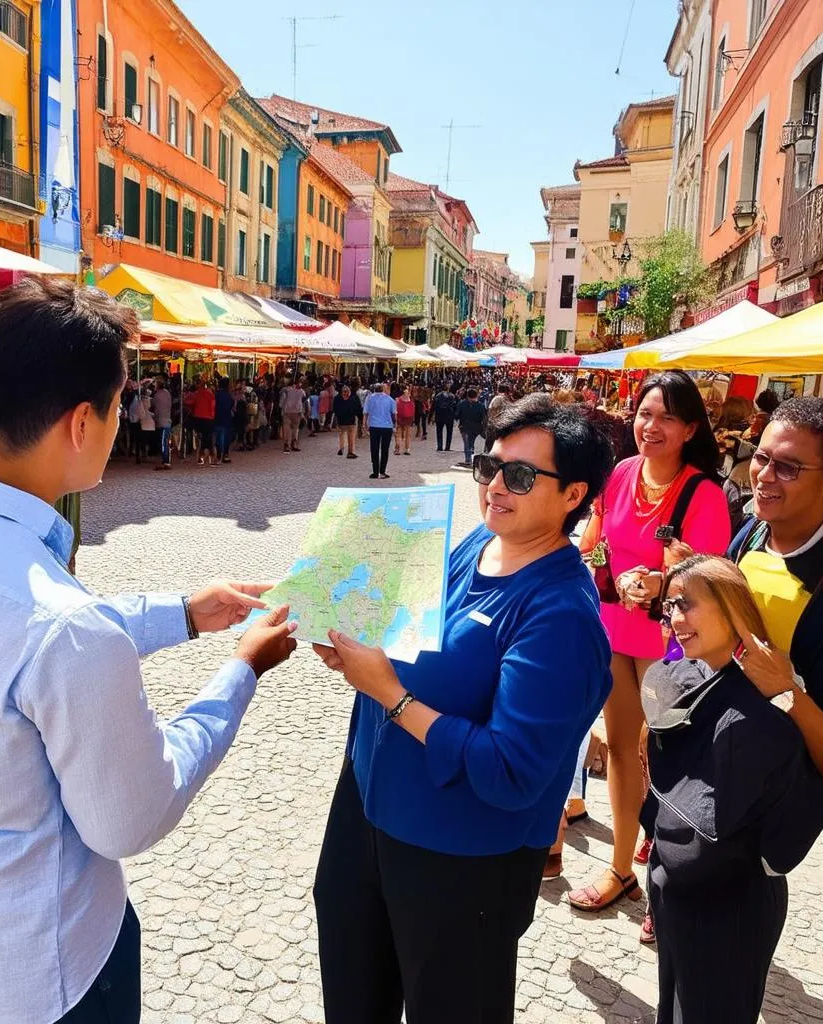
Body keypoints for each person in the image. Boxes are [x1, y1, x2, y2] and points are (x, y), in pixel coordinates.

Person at [0, 277, 299, 1024]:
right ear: (83, 421)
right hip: (45, 981)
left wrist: (178, 613)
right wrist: (241, 670)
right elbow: (130, 817)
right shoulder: (63, 626)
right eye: (120, 407)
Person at [311, 395, 615, 1024]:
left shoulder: (561, 613)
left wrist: (390, 694)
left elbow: (510, 772)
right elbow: (408, 640)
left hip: (460, 861)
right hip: (368, 813)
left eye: (522, 476)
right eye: (488, 466)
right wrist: (349, 637)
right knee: (353, 995)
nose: (496, 486)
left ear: (573, 494)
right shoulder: (476, 545)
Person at [642, 555, 823, 1024]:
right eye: (669, 606)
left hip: (727, 911)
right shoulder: (690, 674)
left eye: (686, 604)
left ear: (731, 608)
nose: (674, 618)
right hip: (674, 887)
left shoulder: (770, 715)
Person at [569, 370, 731, 914]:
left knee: (669, 761)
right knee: (619, 748)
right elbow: (599, 547)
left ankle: (669, 879)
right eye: (644, 413)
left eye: (666, 417)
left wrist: (668, 580)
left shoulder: (704, 493)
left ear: (689, 428)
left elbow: (712, 580)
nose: (650, 425)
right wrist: (599, 568)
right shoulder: (619, 475)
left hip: (673, 644)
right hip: (616, 629)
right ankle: (621, 868)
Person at [727, 396, 823, 794]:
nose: (764, 476)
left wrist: (786, 690)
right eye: (761, 457)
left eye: (788, 467)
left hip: (775, 800)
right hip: (709, 760)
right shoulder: (749, 535)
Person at [363, 383, 396, 480]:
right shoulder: (390, 399)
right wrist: (394, 426)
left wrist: (364, 425)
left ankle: (375, 472)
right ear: (383, 390)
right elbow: (394, 414)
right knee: (385, 450)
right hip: (387, 426)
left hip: (374, 426)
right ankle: (382, 472)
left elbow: (365, 413)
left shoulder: (369, 398)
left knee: (374, 449)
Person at [456, 387, 486, 467]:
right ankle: (470, 456)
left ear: (467, 396)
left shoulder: (461, 404)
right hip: (476, 427)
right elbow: (484, 417)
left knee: (467, 443)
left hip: (464, 426)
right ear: (476, 396)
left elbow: (456, 415)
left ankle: (468, 459)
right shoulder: (481, 406)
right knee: (471, 442)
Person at [192, 378, 216, 466]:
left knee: (200, 439)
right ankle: (212, 459)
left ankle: (200, 458)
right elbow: (213, 406)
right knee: (209, 440)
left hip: (198, 418)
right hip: (208, 419)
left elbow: (191, 402)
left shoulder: (197, 393)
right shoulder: (210, 394)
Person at [333, 384, 360, 459]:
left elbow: (335, 409)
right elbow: (357, 409)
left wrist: (338, 416)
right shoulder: (353, 399)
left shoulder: (337, 399)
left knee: (341, 434)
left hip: (341, 420)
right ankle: (350, 452)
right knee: (351, 437)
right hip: (350, 421)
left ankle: (341, 448)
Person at [151, 376, 173, 470]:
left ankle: (165, 461)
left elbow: (153, 405)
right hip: (166, 420)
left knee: (163, 442)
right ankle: (164, 460)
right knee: (164, 442)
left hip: (162, 421)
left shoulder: (157, 395)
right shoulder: (167, 393)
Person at [280, 377, 304, 453]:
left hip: (288, 411)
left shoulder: (286, 390)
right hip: (296, 411)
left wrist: (282, 409)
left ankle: (287, 444)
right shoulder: (301, 391)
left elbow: (281, 402)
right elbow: (304, 398)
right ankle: (293, 444)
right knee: (295, 429)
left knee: (288, 428)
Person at [214, 377, 235, 465]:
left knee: (219, 437)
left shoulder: (217, 394)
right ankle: (225, 455)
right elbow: (231, 405)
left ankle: (219, 455)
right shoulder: (228, 395)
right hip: (226, 418)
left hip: (218, 418)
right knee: (225, 437)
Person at [433, 382, 457, 452]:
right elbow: (455, 406)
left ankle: (440, 446)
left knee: (439, 431)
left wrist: (431, 417)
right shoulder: (452, 396)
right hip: (449, 416)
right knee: (449, 432)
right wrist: (455, 416)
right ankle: (447, 446)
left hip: (440, 416)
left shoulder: (437, 396)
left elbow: (434, 406)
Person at [394, 386, 416, 456]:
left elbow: (395, 411)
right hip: (408, 419)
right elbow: (413, 410)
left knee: (398, 434)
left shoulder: (397, 400)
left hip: (400, 418)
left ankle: (397, 449)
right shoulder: (411, 400)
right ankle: (407, 449)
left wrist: (395, 419)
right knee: (407, 434)